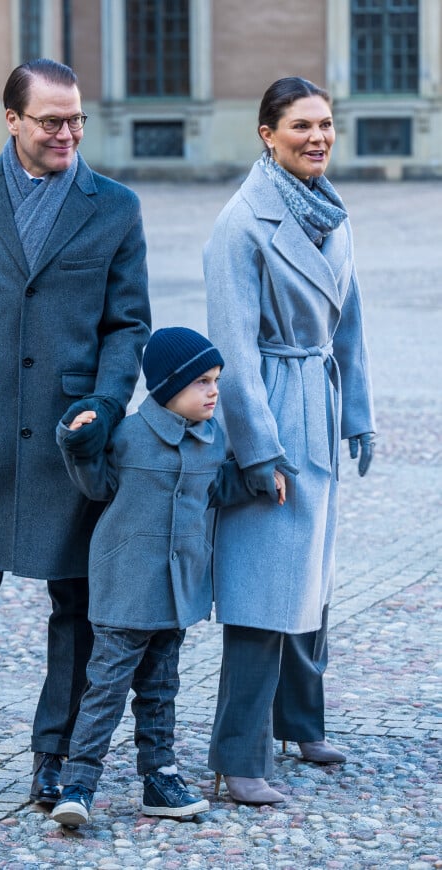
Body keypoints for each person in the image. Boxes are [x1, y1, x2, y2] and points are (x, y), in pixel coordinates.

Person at [0, 58, 151, 816]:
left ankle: (55, 759)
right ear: (11, 120)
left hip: (67, 441)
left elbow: (127, 325)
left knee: (73, 608)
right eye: (52, 121)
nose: (68, 133)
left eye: (76, 119)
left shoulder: (114, 206)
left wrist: (107, 408)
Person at [203, 76, 376, 805]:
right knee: (264, 585)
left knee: (313, 576)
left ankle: (300, 720)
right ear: (266, 135)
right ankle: (236, 758)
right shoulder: (241, 224)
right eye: (301, 126)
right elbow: (234, 352)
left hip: (319, 397)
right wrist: (259, 451)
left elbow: (350, 326)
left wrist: (358, 413)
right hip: (272, 404)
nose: (318, 137)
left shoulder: (330, 213)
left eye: (326, 124)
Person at [50, 327, 286, 828]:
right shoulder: (129, 435)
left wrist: (260, 478)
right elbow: (96, 485)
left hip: (178, 592)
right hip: (125, 588)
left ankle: (160, 777)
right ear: (168, 386)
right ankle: (79, 784)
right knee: (106, 688)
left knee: (160, 688)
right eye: (202, 380)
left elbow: (217, 488)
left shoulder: (211, 439)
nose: (214, 391)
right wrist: (75, 441)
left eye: (216, 379)